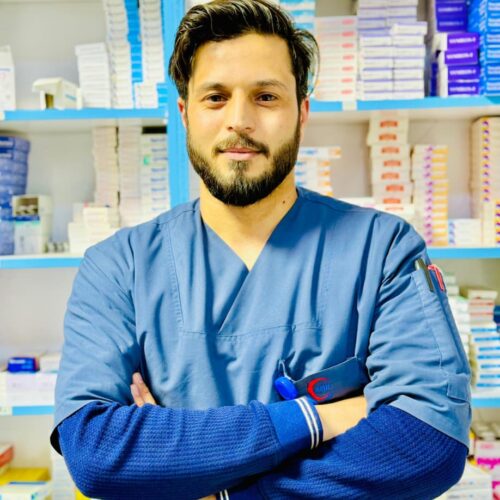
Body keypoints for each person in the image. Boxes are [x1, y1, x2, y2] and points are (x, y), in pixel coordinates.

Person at [51, 1, 471, 498]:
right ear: (185, 114)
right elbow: (96, 452)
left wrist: (218, 487)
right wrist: (317, 418)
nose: (239, 120)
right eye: (215, 97)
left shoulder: (382, 251)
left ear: (302, 113)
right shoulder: (118, 267)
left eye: (266, 96)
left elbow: (428, 442)